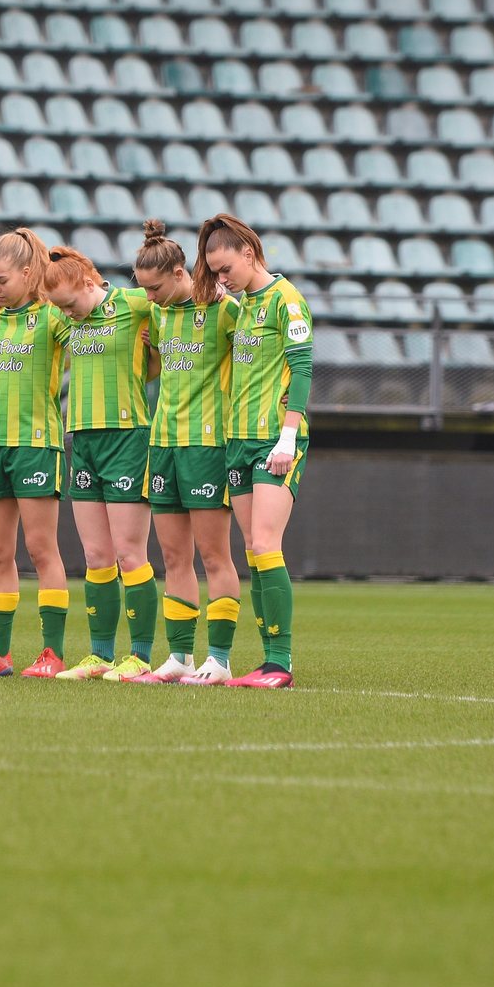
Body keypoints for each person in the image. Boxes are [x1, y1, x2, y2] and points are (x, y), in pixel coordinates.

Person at [195, 213, 314, 689]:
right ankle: (268, 661)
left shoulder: (288, 300)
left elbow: (301, 370)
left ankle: (280, 662)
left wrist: (288, 436)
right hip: (238, 442)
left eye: (226, 269)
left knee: (266, 545)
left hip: (274, 440)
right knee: (252, 550)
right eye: (215, 272)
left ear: (249, 253)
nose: (222, 280)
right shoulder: (243, 307)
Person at [128, 220, 244, 684]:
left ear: (181, 273)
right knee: (173, 559)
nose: (148, 297)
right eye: (143, 290)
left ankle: (220, 657)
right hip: (164, 444)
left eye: (154, 288)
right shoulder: (155, 315)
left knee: (215, 556)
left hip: (207, 445)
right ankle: (180, 658)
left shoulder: (227, 311)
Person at [40, 246, 159, 682]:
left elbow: (183, 299)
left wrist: (160, 347)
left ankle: (141, 655)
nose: (67, 315)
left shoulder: (132, 303)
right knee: (95, 554)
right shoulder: (65, 315)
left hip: (127, 438)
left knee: (130, 553)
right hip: (83, 439)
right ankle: (99, 655)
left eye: (70, 304)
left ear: (90, 284)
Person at [0, 228, 71, 677]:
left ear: (29, 273)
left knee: (42, 550)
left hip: (38, 445)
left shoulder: (54, 317)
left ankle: (52, 654)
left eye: (1, 280)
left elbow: (90, 330)